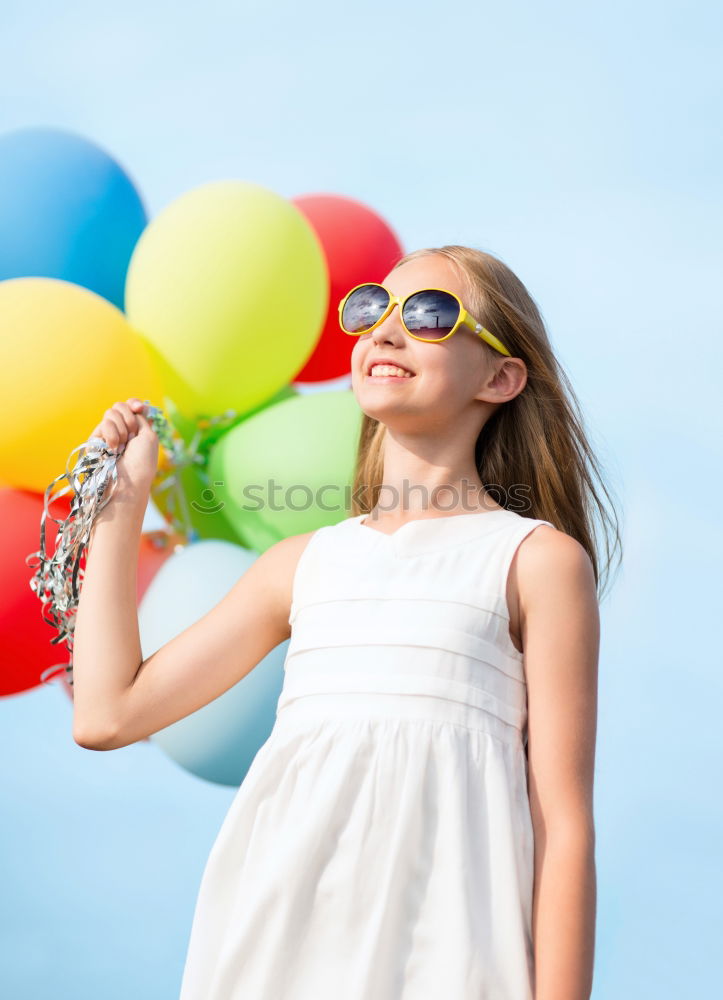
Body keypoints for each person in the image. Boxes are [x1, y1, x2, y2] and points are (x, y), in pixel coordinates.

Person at [71, 244, 621, 1000]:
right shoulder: (302, 565)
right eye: (371, 308)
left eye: (428, 315)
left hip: (451, 957)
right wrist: (121, 511)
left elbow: (562, 826)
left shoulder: (534, 562)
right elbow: (107, 713)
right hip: (271, 952)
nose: (384, 331)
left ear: (501, 377)